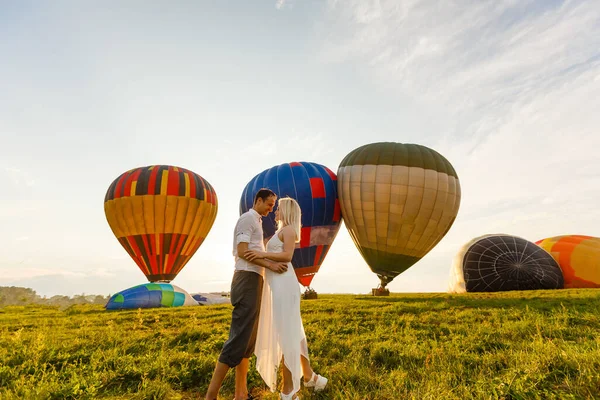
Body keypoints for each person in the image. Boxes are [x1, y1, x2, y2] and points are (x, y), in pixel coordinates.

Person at [205, 189, 288, 400]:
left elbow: (253, 251)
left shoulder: (257, 221)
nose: (272, 209)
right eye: (269, 204)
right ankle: (210, 396)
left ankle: (240, 394)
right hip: (246, 279)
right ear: (258, 200)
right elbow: (243, 252)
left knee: (249, 339)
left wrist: (266, 265)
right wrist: (269, 263)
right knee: (239, 337)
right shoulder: (247, 219)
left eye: (273, 206)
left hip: (255, 279)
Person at [245, 197, 328, 400]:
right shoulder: (281, 231)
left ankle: (288, 391)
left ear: (288, 211)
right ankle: (310, 377)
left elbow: (287, 256)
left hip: (284, 282)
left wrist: (258, 254)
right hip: (278, 282)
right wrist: (262, 256)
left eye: (278, 208)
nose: (275, 211)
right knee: (292, 331)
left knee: (286, 334)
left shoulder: (289, 230)